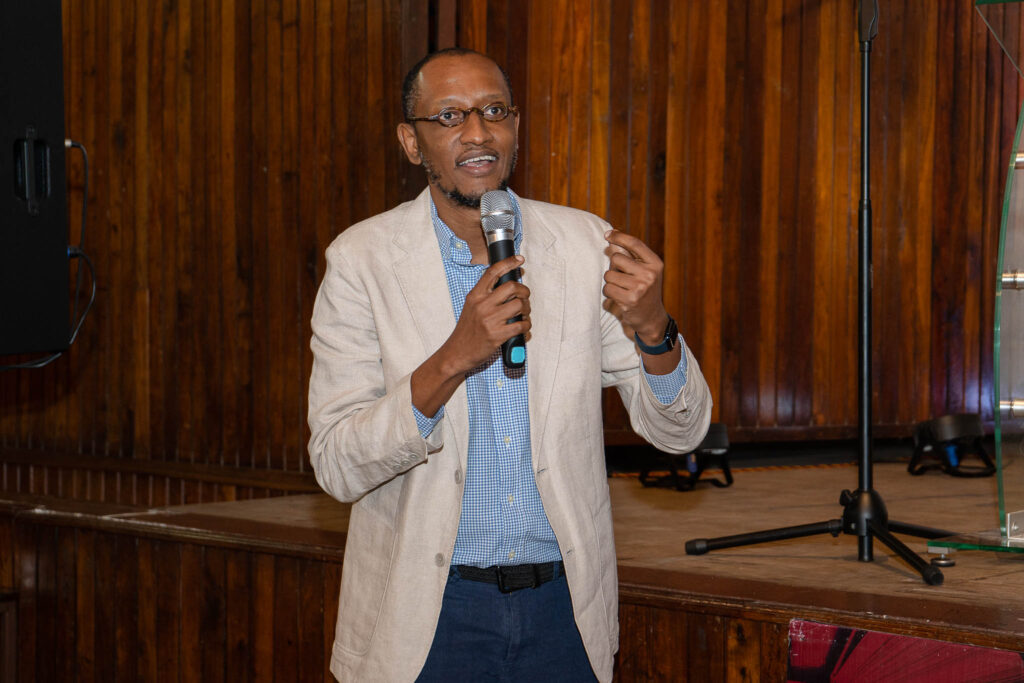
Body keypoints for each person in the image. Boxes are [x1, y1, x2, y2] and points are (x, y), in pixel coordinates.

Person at [307, 47, 712, 682]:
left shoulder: (583, 246)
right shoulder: (361, 261)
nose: (477, 132)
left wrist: (654, 327)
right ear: (411, 143)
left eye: (494, 111)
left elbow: (680, 433)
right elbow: (337, 464)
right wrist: (452, 360)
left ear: (516, 127)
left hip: (563, 613)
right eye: (450, 116)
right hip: (425, 619)